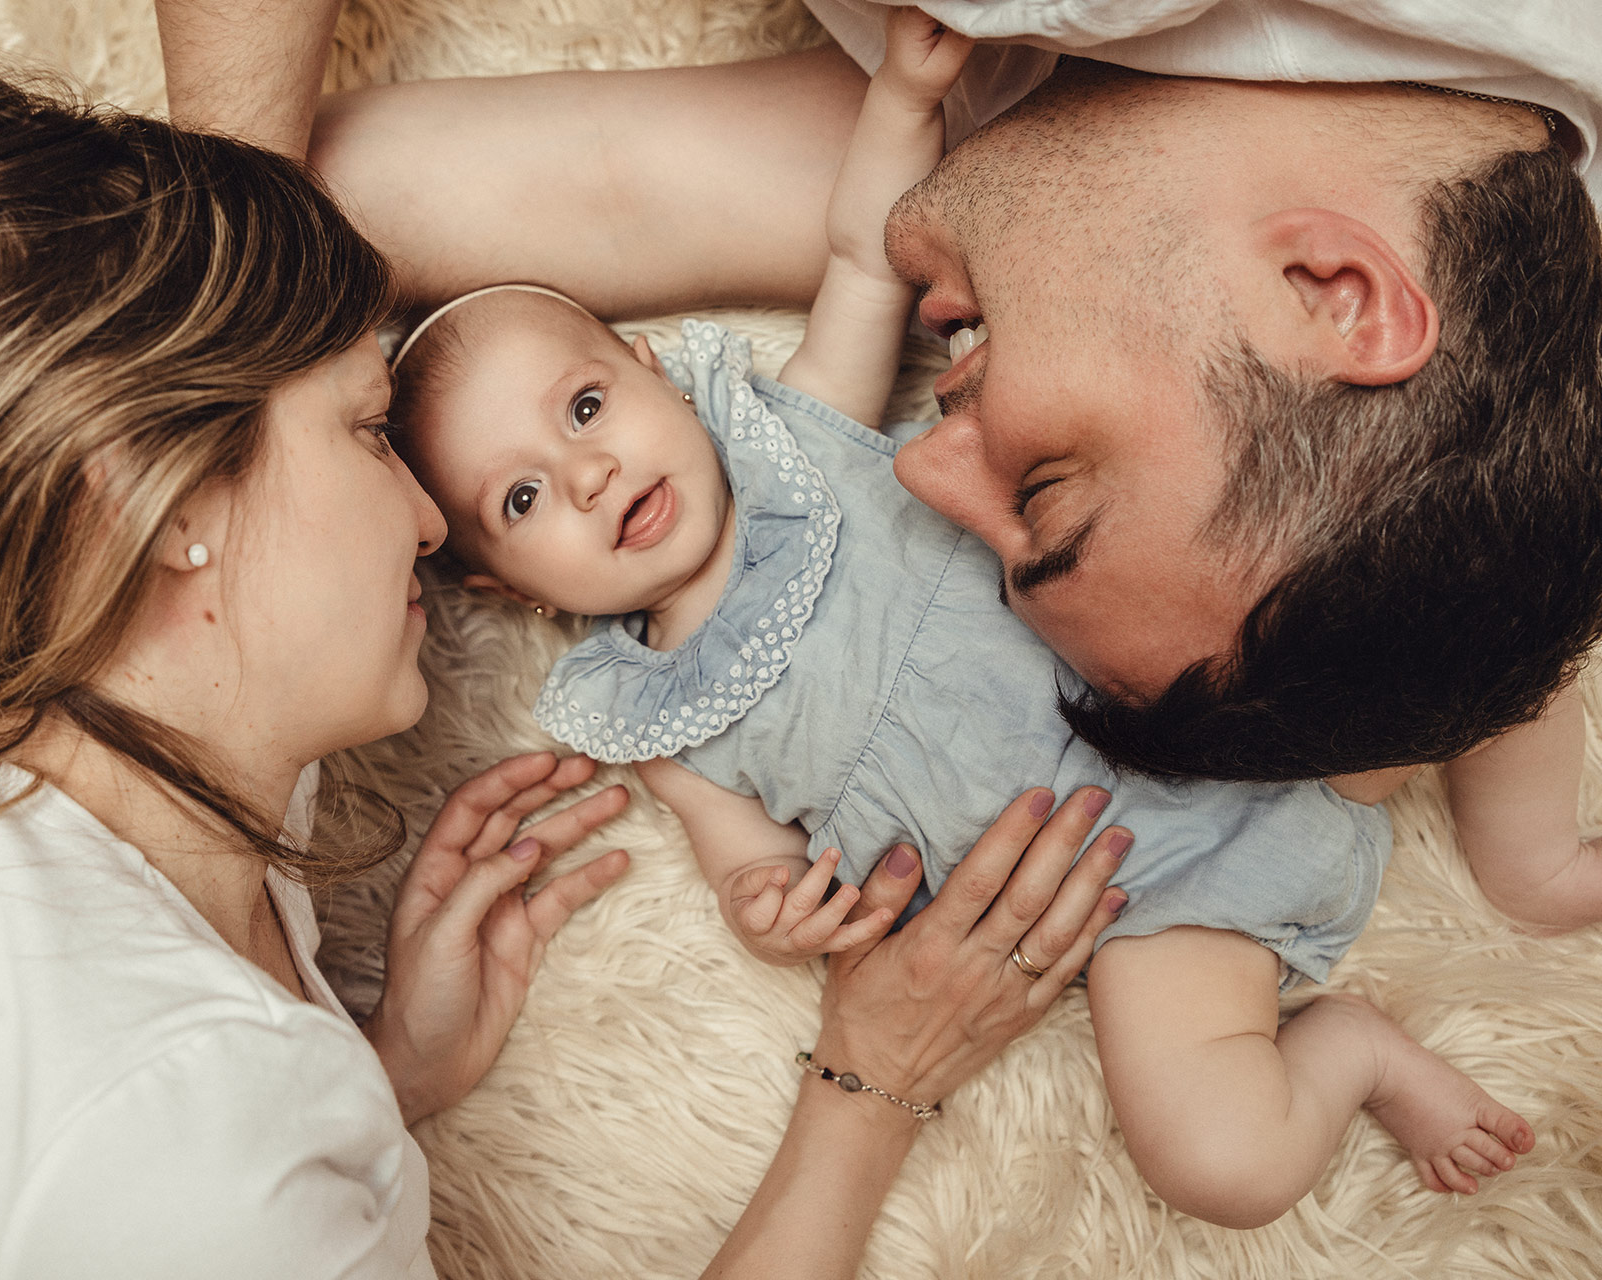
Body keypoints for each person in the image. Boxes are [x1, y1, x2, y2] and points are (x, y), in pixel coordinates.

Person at [0, 41, 1127, 1278]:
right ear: (160, 512)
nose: (428, 520)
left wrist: (386, 1077)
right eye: (373, 432)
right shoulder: (181, 1141)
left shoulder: (72, 716)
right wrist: (870, 1082)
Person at [385, 9, 1532, 1226]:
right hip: (1142, 901)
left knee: (1481, 609)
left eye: (584, 407)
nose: (590, 476)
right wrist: (770, 908)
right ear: (512, 590)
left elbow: (866, 258)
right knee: (1219, 1161)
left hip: (1217, 676)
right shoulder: (663, 717)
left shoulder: (799, 430)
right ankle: (1356, 1049)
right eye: (521, 497)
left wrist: (898, 105)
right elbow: (747, 862)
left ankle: (1528, 854)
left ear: (656, 368)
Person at [146, 0, 1602, 923]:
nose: (909, 473)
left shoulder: (1097, 184)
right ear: (1334, 291)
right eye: (1046, 489)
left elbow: (338, 198)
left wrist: (205, 321)